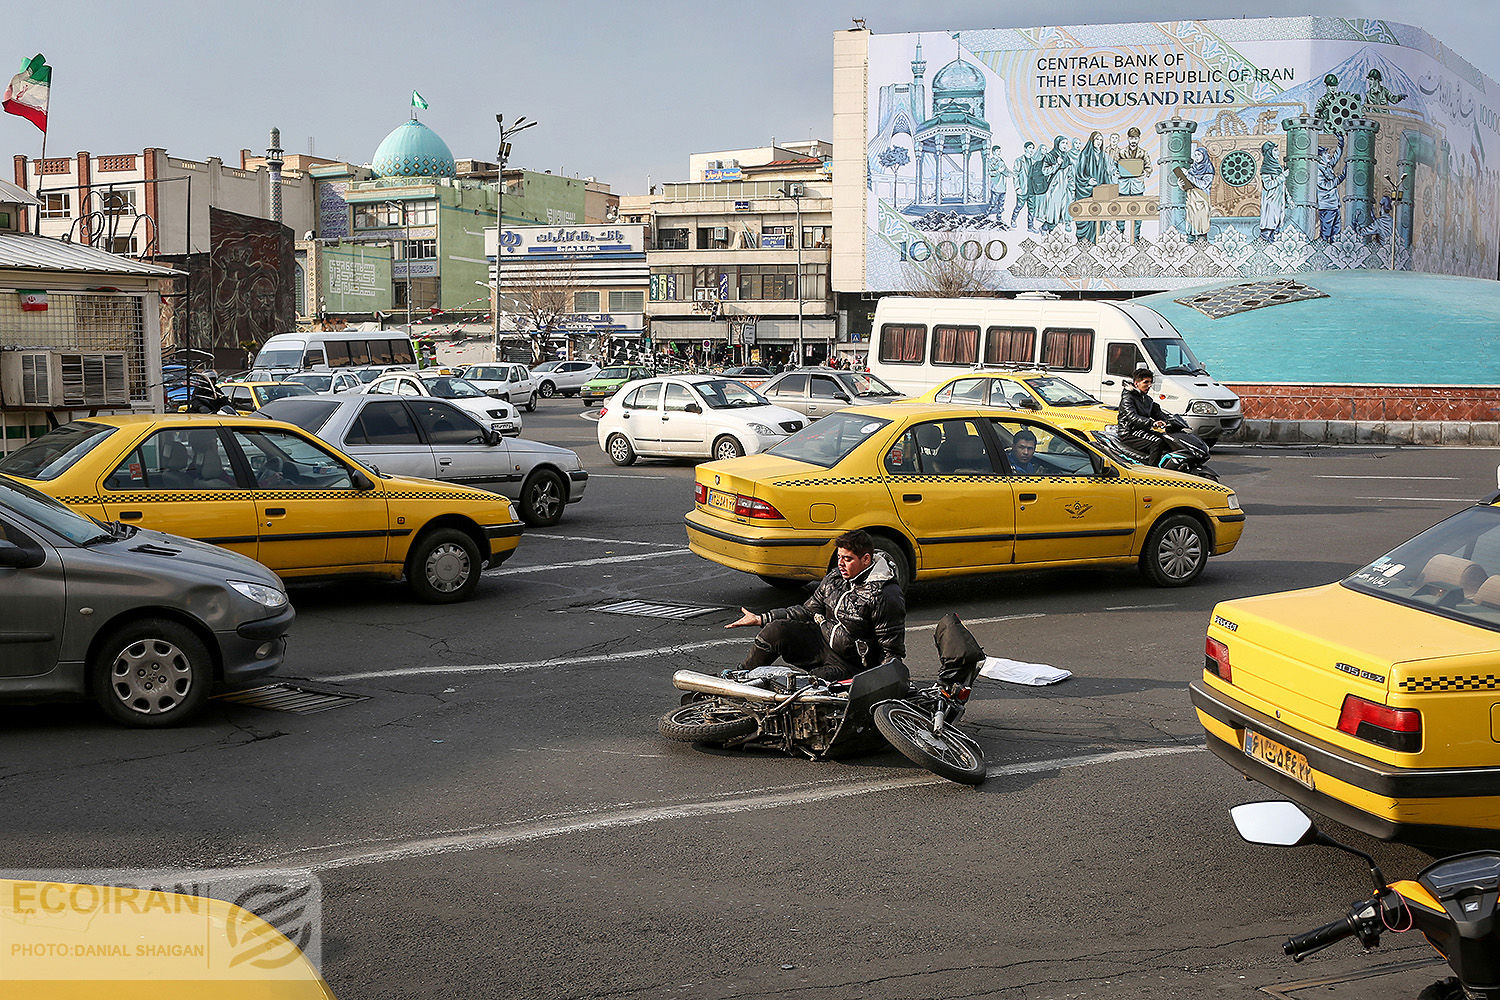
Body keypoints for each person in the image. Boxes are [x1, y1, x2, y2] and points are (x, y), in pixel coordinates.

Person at [726, 529, 905, 681]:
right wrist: (760, 619)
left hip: (852, 664)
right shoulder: (835, 578)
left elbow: (891, 651)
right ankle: (740, 677)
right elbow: (807, 610)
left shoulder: (885, 595)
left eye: (848, 559)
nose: (840, 564)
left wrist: (879, 685)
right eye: (839, 557)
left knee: (809, 685)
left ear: (866, 559)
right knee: (775, 631)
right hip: (822, 643)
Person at [1117, 366, 1177, 467]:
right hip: (1129, 432)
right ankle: (1152, 471)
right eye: (1146, 382)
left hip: (1142, 430)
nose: (1149, 385)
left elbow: (1158, 413)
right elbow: (1132, 416)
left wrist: (1171, 421)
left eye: (1150, 382)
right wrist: (1152, 423)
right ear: (1136, 383)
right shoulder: (1128, 398)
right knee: (1157, 443)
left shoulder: (1147, 399)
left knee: (1168, 439)